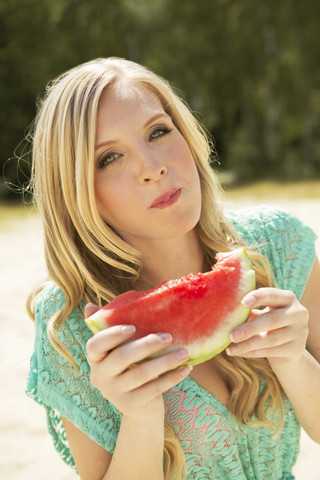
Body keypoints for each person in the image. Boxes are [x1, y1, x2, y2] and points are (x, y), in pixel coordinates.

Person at [26, 57, 320, 480]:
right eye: (109, 158)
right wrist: (140, 415)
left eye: (158, 132)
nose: (153, 167)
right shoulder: (71, 324)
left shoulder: (277, 243)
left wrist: (294, 360)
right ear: (76, 192)